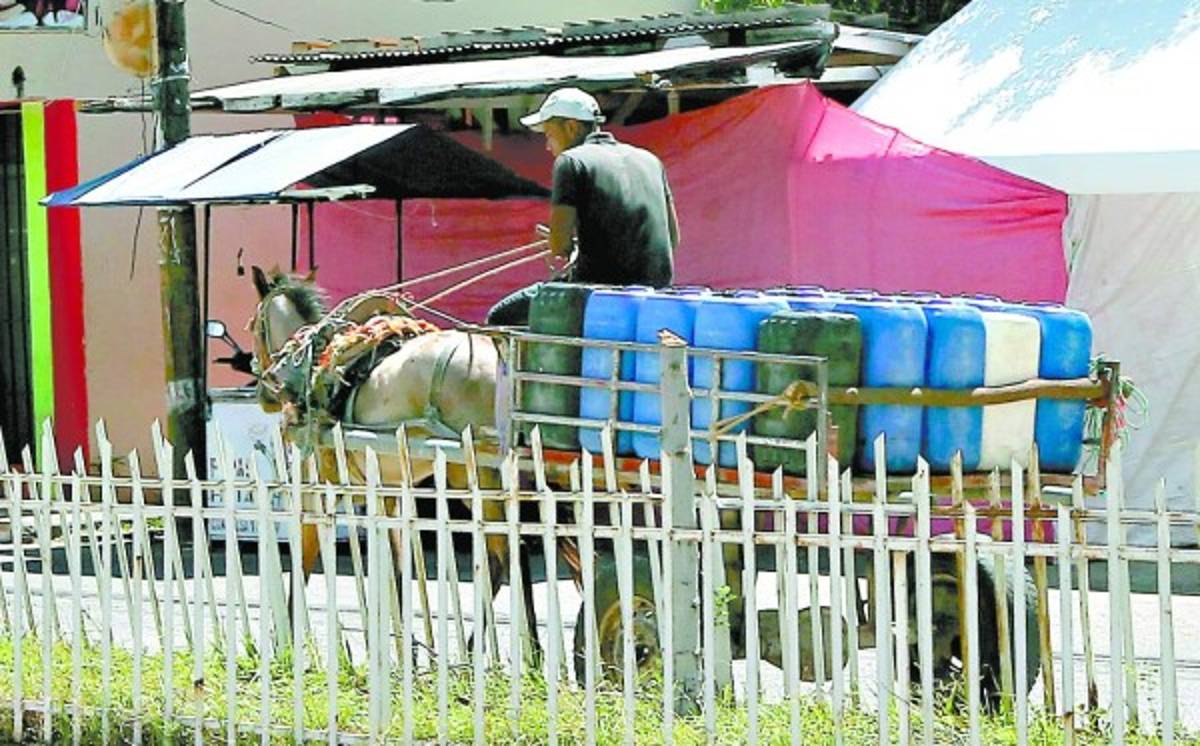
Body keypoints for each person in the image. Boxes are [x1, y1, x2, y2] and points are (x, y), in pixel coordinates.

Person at [486, 87, 680, 325]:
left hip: (596, 293)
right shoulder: (650, 160)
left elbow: (559, 246)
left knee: (499, 316)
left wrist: (559, 241)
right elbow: (673, 238)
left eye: (549, 134)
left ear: (571, 127)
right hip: (657, 292)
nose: (548, 146)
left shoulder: (571, 161)